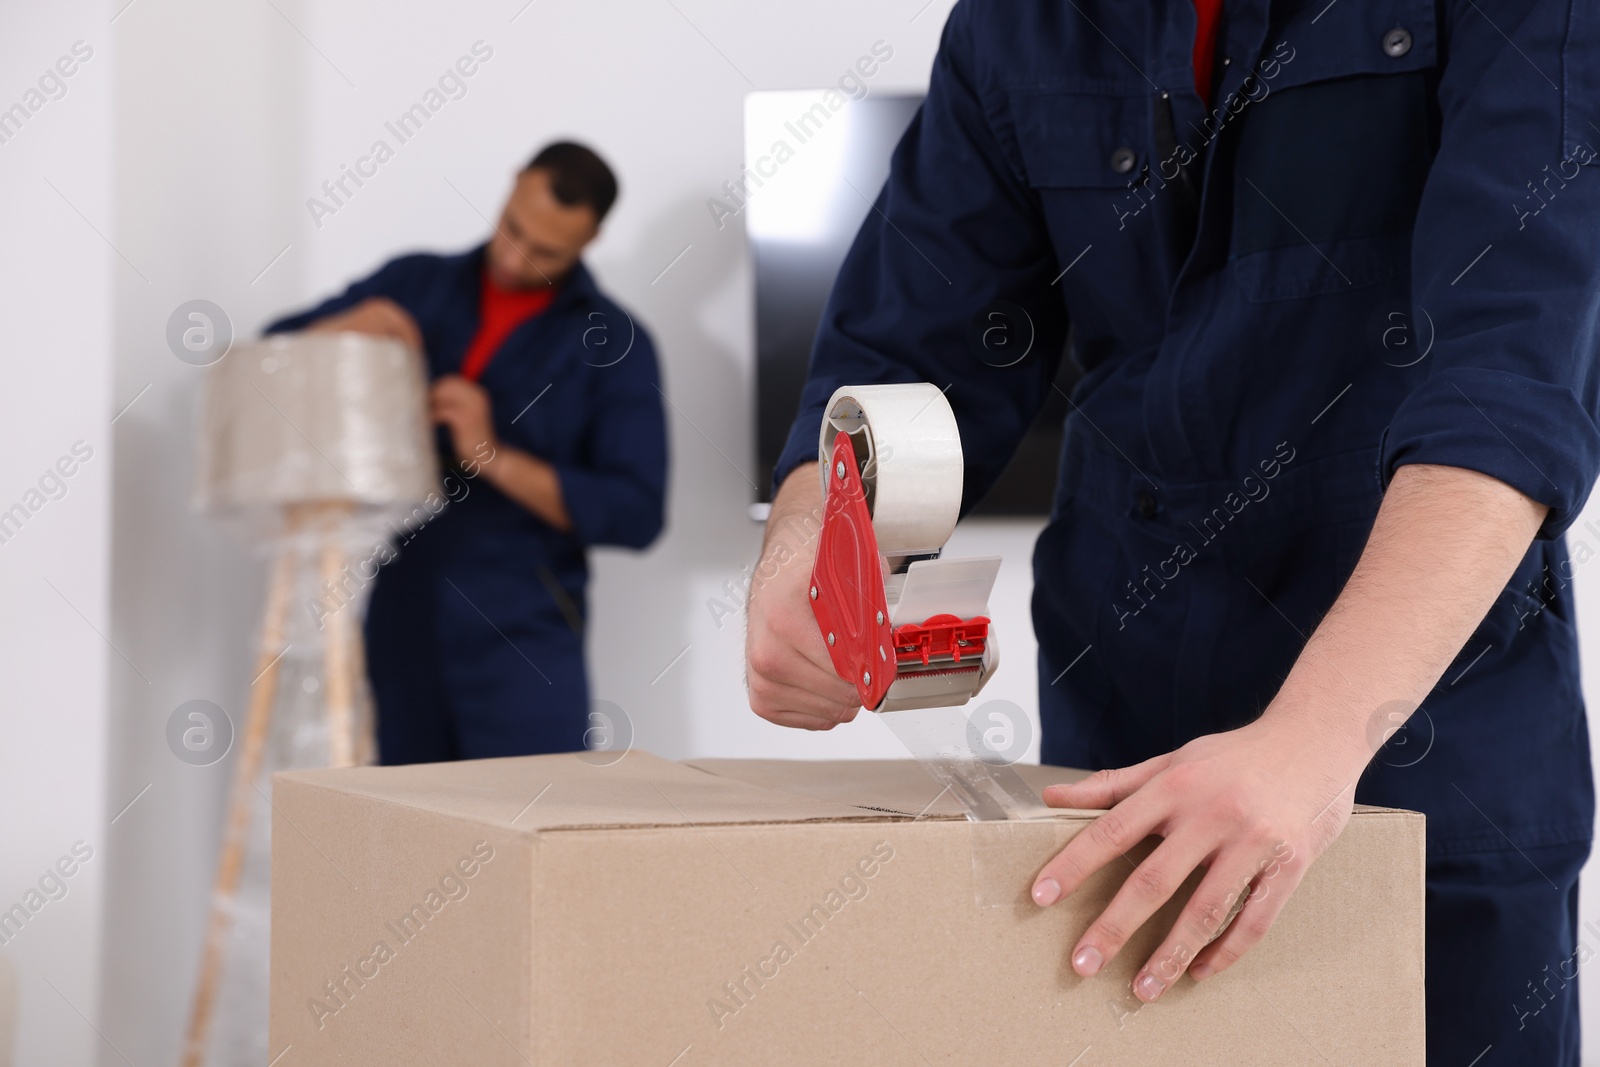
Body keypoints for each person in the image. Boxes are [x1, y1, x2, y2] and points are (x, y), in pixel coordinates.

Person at [744, 1, 1598, 1062]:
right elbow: (905, 353)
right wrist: (808, 548)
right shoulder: (1017, 27)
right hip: (1120, 745)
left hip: (1423, 756)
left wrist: (1307, 743)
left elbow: (1505, 390)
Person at [269, 142, 667, 763]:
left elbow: (637, 512)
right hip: (401, 615)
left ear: (591, 240)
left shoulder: (616, 344)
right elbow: (272, 354)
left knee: (535, 834)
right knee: (404, 834)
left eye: (545, 252)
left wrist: (492, 455)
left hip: (525, 638)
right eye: (512, 229)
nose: (514, 258)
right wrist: (349, 329)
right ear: (512, 187)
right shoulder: (413, 283)